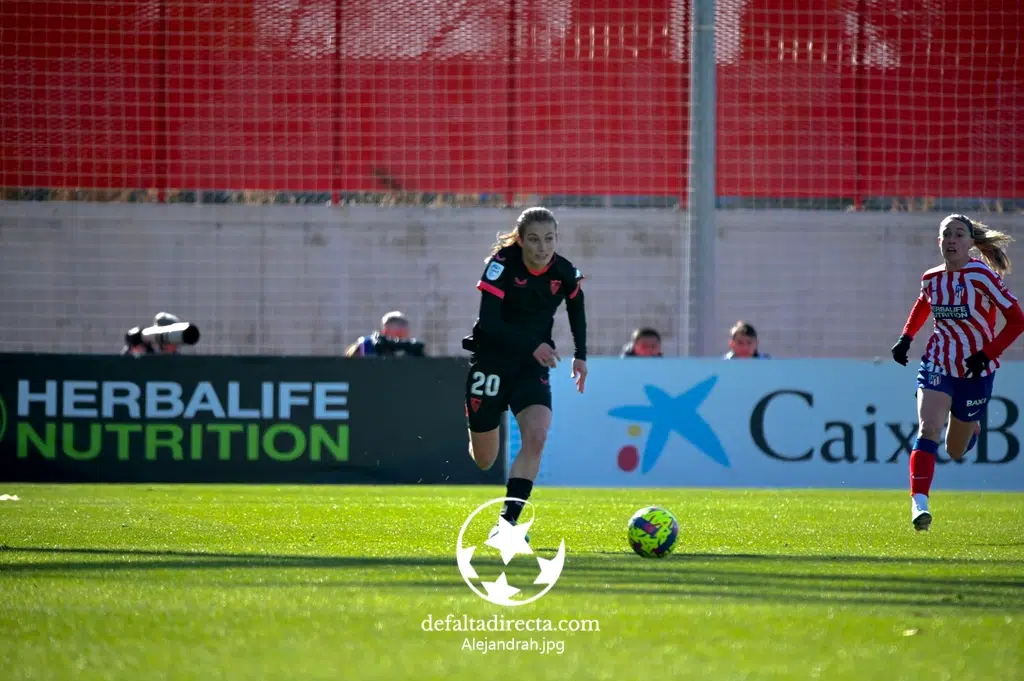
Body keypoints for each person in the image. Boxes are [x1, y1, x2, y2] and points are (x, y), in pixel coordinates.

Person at [891, 213, 1023, 531]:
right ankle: (918, 505)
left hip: (976, 370)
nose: (952, 239)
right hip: (937, 363)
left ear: (970, 243)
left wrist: (987, 353)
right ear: (940, 242)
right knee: (928, 429)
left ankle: (971, 428)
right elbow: (924, 303)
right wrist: (905, 338)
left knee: (954, 448)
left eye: (960, 234)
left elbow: (1017, 320)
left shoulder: (981, 275)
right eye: (946, 234)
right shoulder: (931, 278)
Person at [462, 207, 588, 535]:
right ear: (521, 240)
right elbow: (489, 322)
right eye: (533, 239)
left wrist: (581, 355)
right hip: (491, 361)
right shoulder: (501, 265)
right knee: (485, 460)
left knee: (537, 435)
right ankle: (477, 421)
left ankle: (507, 523)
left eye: (549, 239)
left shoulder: (564, 271)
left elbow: (576, 305)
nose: (542, 247)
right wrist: (532, 344)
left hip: (531, 367)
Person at [344, 311, 425, 357]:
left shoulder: (411, 349)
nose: (399, 341)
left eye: (403, 336)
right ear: (385, 330)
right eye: (398, 335)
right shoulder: (367, 345)